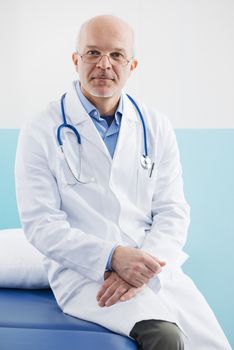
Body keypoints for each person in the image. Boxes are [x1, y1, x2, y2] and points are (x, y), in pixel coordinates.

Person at [15, 14, 231, 350]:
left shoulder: (155, 126)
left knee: (213, 344)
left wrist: (141, 267)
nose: (104, 65)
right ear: (75, 60)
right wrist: (113, 258)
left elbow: (173, 211)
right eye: (92, 53)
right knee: (164, 336)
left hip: (153, 269)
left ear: (133, 65)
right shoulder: (41, 129)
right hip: (86, 274)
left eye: (117, 55)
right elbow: (40, 225)